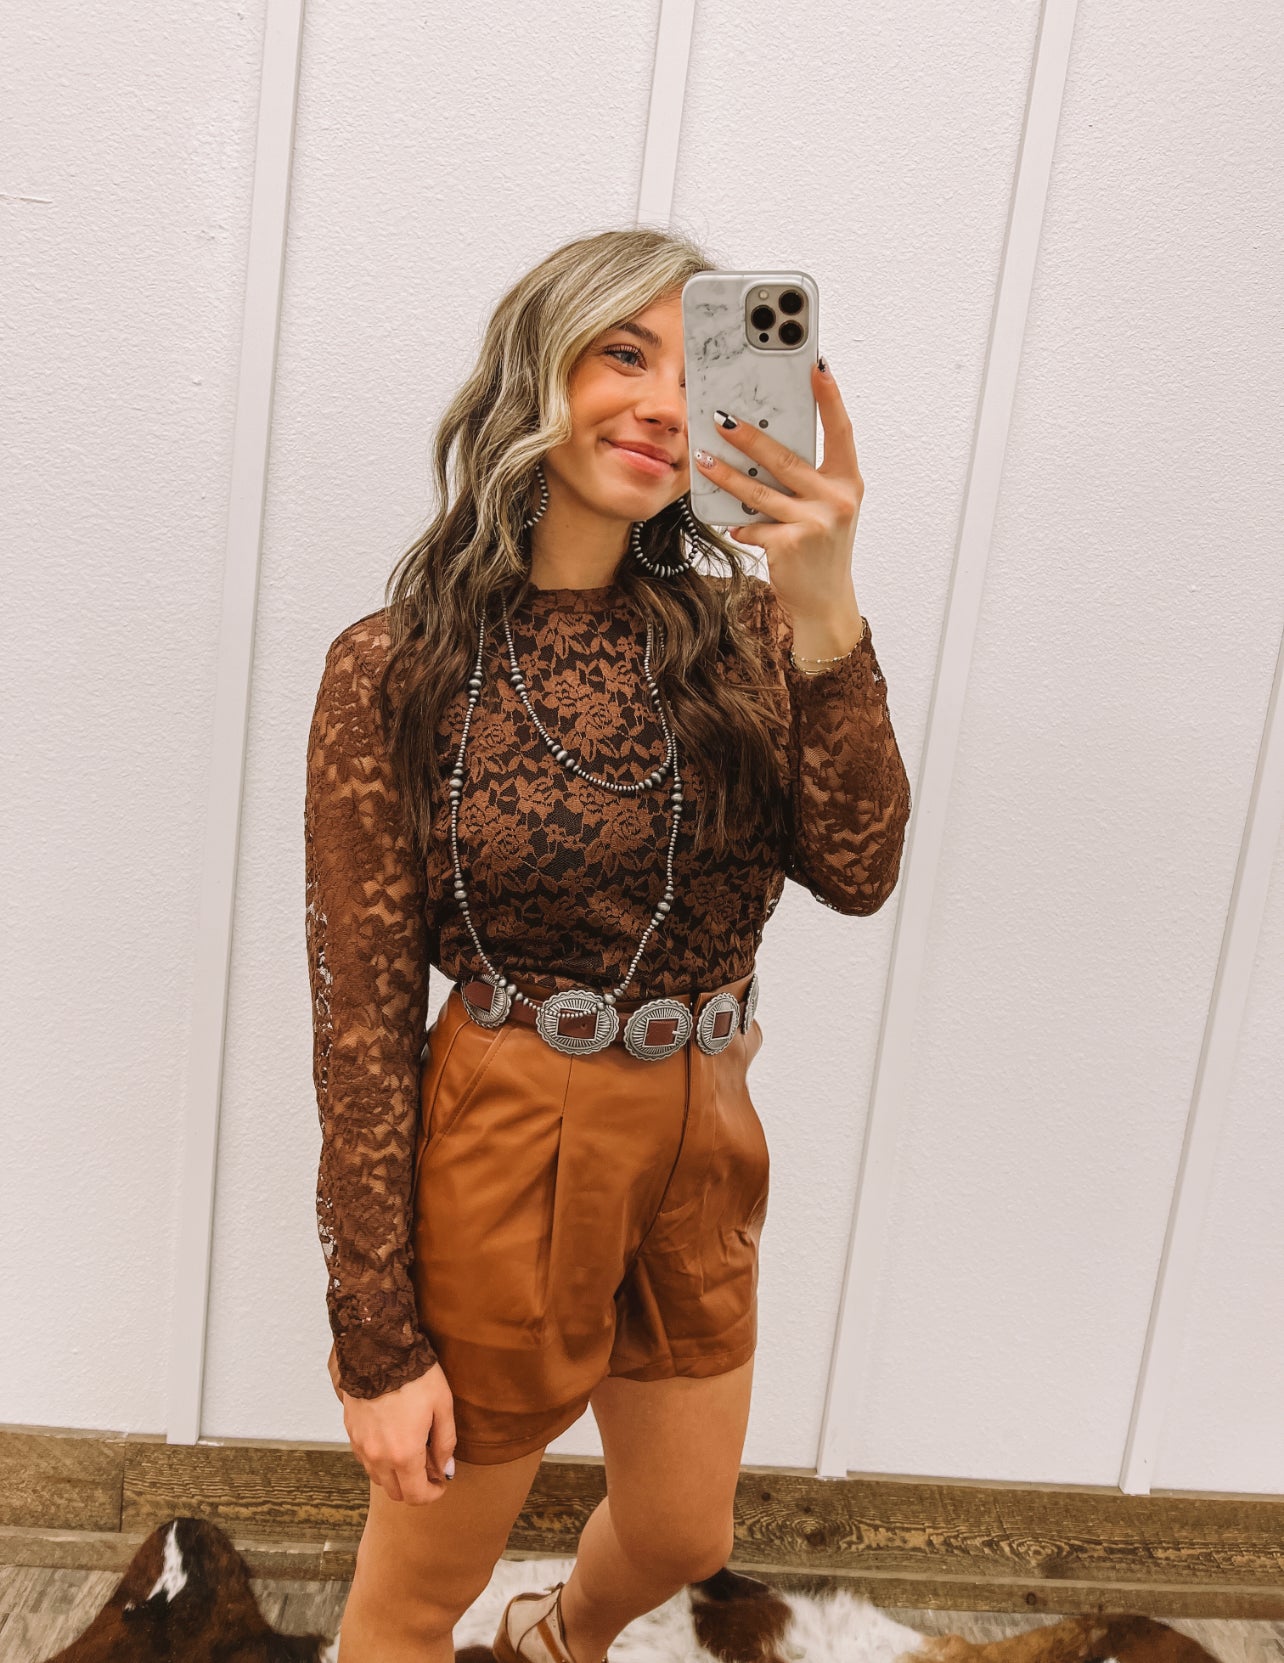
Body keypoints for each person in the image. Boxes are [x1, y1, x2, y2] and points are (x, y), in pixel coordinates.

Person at [303, 226, 912, 1663]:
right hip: (510, 1128)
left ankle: (558, 1640)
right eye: (619, 354)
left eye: (694, 369)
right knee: (412, 1600)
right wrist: (376, 1339)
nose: (659, 403)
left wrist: (824, 595)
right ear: (536, 374)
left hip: (707, 1128)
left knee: (687, 1534)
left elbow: (860, 870)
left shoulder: (746, 634)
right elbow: (360, 1023)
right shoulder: (397, 665)